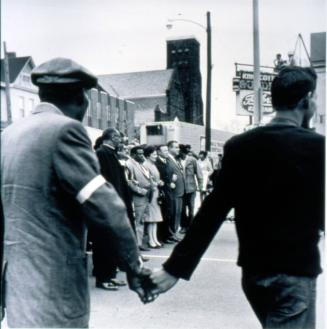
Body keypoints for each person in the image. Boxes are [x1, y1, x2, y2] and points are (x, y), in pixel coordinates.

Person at [149, 66, 325, 329]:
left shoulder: (240, 145)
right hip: (293, 273)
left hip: (254, 273)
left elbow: (212, 211)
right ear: (306, 99)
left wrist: (174, 268)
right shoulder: (317, 148)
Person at [0, 58, 151, 328]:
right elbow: (105, 207)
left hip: (18, 284)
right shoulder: (66, 131)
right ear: (81, 98)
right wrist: (134, 266)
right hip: (55, 285)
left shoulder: (9, 135)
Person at [91, 128, 136, 290]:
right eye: (117, 137)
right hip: (107, 206)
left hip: (114, 205)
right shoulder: (102, 154)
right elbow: (105, 181)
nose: (120, 140)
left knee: (112, 243)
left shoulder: (111, 154)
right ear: (109, 138)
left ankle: (110, 275)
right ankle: (103, 278)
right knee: (104, 243)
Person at [126, 146, 152, 251]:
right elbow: (129, 182)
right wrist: (140, 191)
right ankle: (137, 245)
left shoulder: (141, 164)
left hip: (145, 196)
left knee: (142, 220)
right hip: (138, 197)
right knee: (137, 221)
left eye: (142, 153)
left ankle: (139, 242)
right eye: (139, 154)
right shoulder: (129, 164)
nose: (142, 156)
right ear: (133, 155)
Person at [179, 145, 203, 234]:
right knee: (182, 209)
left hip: (191, 188)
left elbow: (199, 173)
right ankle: (183, 226)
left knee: (191, 208)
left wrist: (201, 186)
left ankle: (191, 226)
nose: (179, 153)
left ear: (183, 152)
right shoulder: (177, 160)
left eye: (181, 152)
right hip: (181, 189)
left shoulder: (192, 160)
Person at [143, 145, 164, 248]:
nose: (156, 156)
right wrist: (157, 183)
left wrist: (159, 182)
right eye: (154, 154)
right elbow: (148, 180)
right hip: (151, 194)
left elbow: (154, 178)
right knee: (151, 217)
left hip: (156, 193)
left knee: (155, 218)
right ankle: (151, 239)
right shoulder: (146, 165)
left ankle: (154, 238)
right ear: (148, 156)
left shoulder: (153, 164)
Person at [155, 144, 175, 244]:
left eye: (167, 150)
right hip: (162, 191)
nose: (166, 152)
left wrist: (172, 180)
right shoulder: (157, 163)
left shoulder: (167, 161)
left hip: (168, 190)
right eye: (164, 151)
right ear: (158, 152)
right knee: (163, 213)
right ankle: (162, 236)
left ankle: (167, 234)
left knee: (168, 213)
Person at [166, 140, 185, 241]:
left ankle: (175, 232)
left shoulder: (175, 159)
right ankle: (172, 233)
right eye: (176, 147)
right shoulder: (168, 160)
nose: (178, 149)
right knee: (174, 213)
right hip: (174, 192)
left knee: (178, 212)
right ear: (170, 148)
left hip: (179, 191)